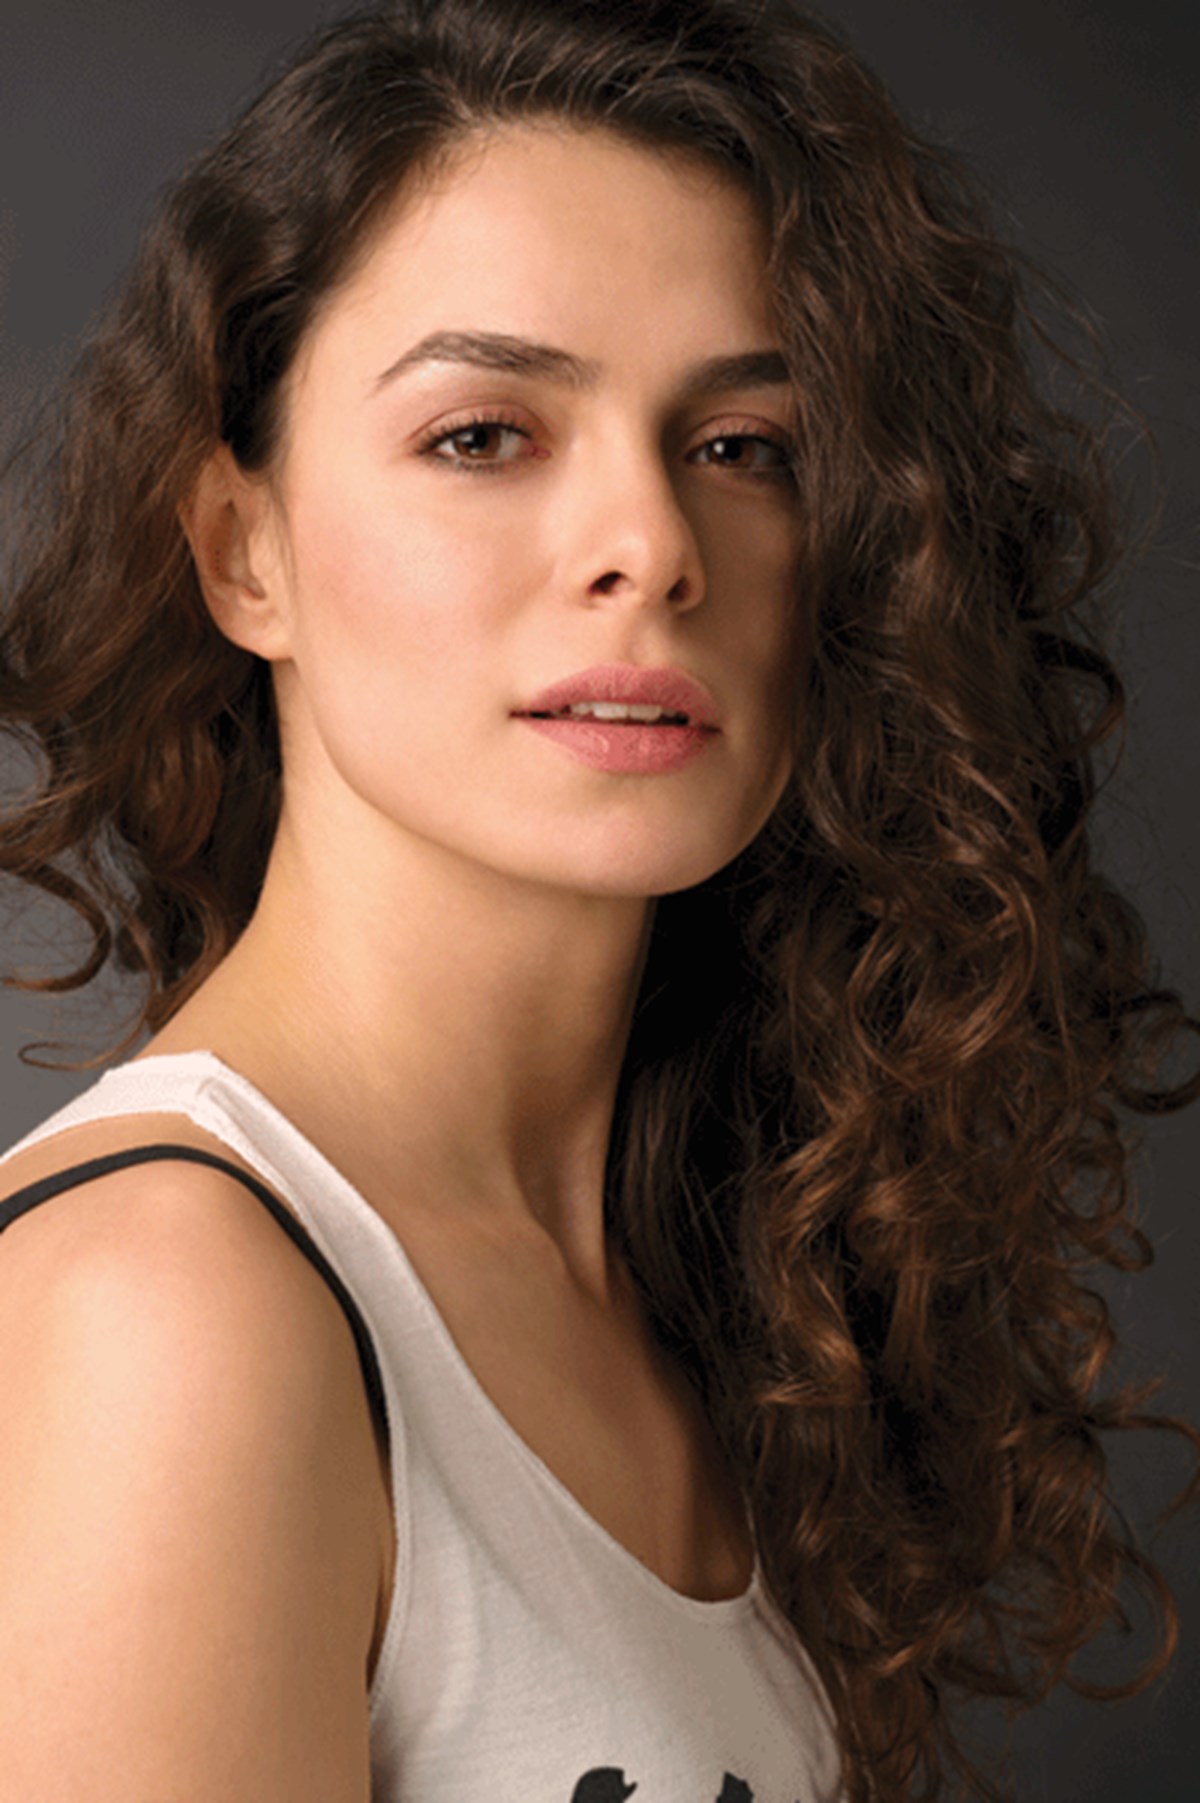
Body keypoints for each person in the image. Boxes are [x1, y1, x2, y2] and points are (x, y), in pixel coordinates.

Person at [0, 1, 1195, 1798]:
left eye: (745, 446)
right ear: (246, 551)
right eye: (486, 435)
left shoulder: (709, 1277)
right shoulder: (169, 1314)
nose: (651, 544)